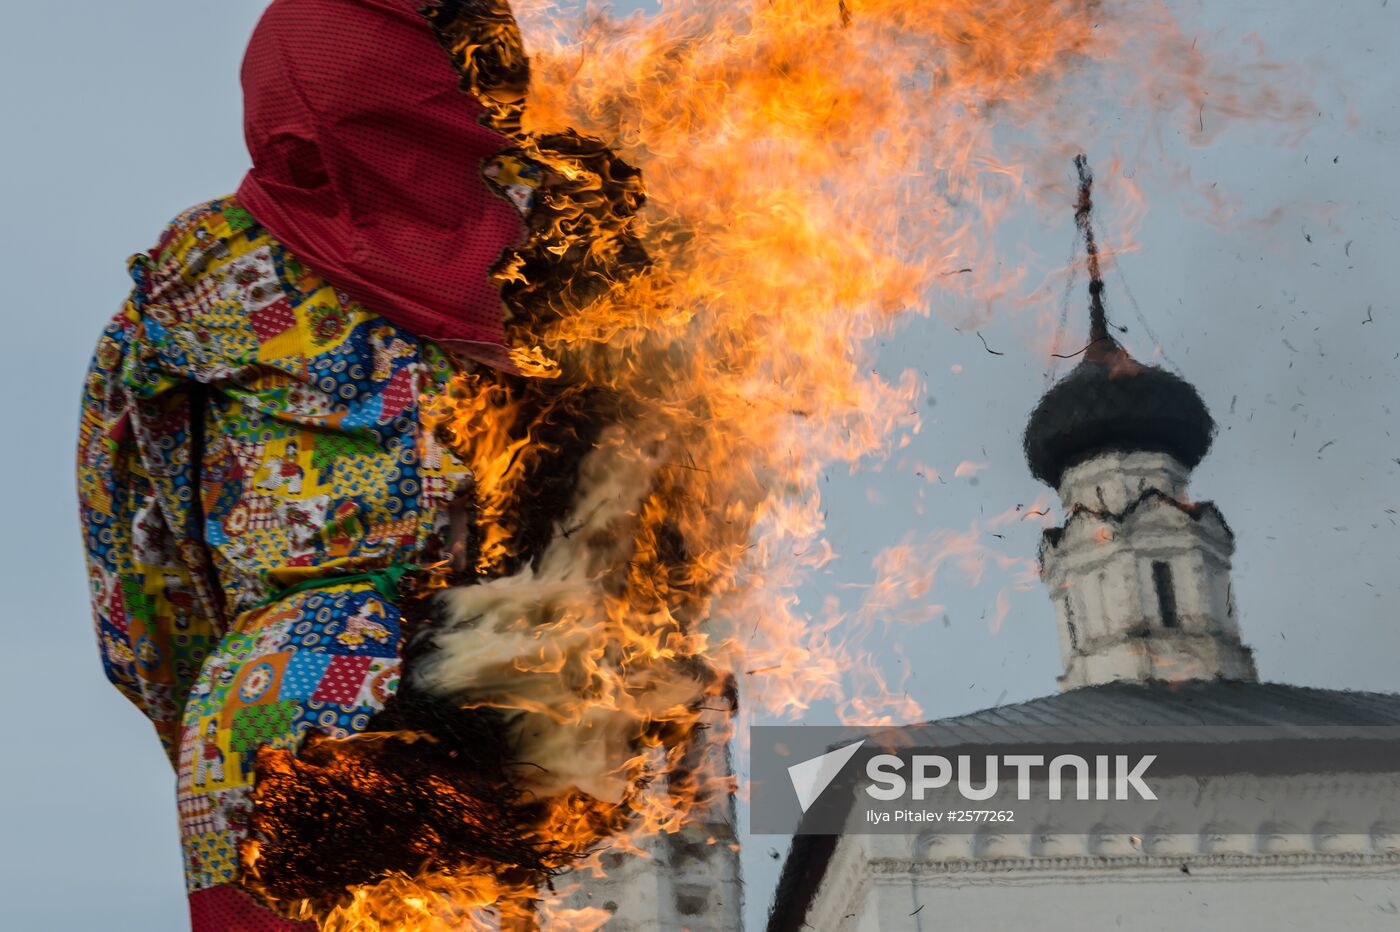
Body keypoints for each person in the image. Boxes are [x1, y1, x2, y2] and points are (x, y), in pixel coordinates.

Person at [77, 1, 548, 926]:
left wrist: (210, 684)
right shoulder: (558, 256)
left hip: (267, 697)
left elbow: (129, 538)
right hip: (494, 675)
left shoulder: (200, 269)